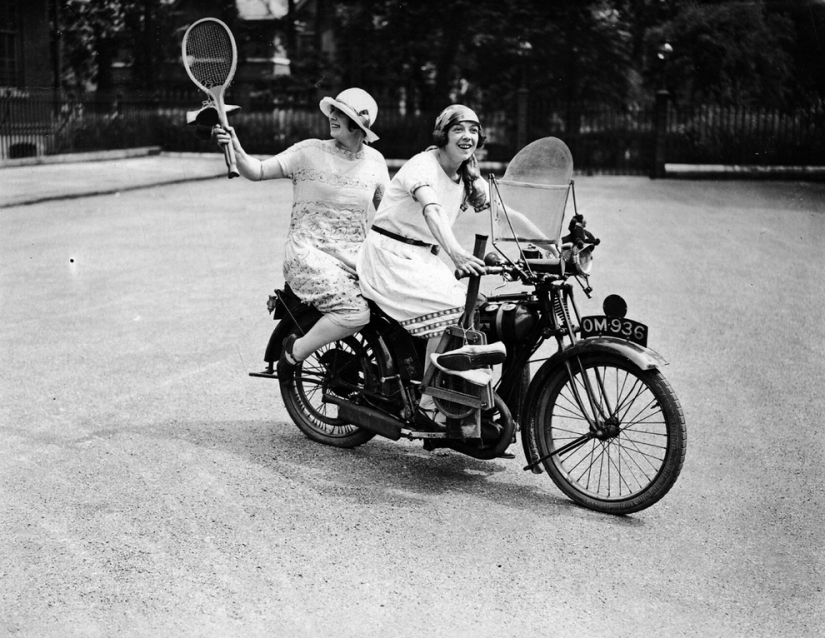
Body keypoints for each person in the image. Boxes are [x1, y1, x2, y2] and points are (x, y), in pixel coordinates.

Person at [214, 88, 390, 377]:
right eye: (333, 110)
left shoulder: (376, 161)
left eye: (341, 112)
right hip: (309, 255)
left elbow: (388, 214)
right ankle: (294, 352)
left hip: (355, 258)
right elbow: (258, 170)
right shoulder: (309, 152)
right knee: (355, 313)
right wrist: (235, 147)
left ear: (359, 124)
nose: (332, 116)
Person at [356, 104, 490, 341]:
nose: (467, 136)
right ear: (443, 135)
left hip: (420, 260)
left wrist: (547, 242)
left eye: (473, 130)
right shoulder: (423, 165)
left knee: (479, 306)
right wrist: (456, 253)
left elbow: (504, 211)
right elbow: (432, 209)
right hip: (389, 257)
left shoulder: (468, 174)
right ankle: (435, 367)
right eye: (458, 129)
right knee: (452, 309)